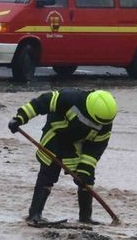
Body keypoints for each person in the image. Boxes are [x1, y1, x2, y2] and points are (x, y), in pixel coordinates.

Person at [8, 88, 118, 226]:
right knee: (48, 174)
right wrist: (20, 118)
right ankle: (34, 214)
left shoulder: (105, 122)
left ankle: (85, 217)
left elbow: (94, 150)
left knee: (87, 178)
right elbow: (41, 102)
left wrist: (84, 170)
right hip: (55, 136)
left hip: (76, 145)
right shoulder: (70, 97)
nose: (99, 125)